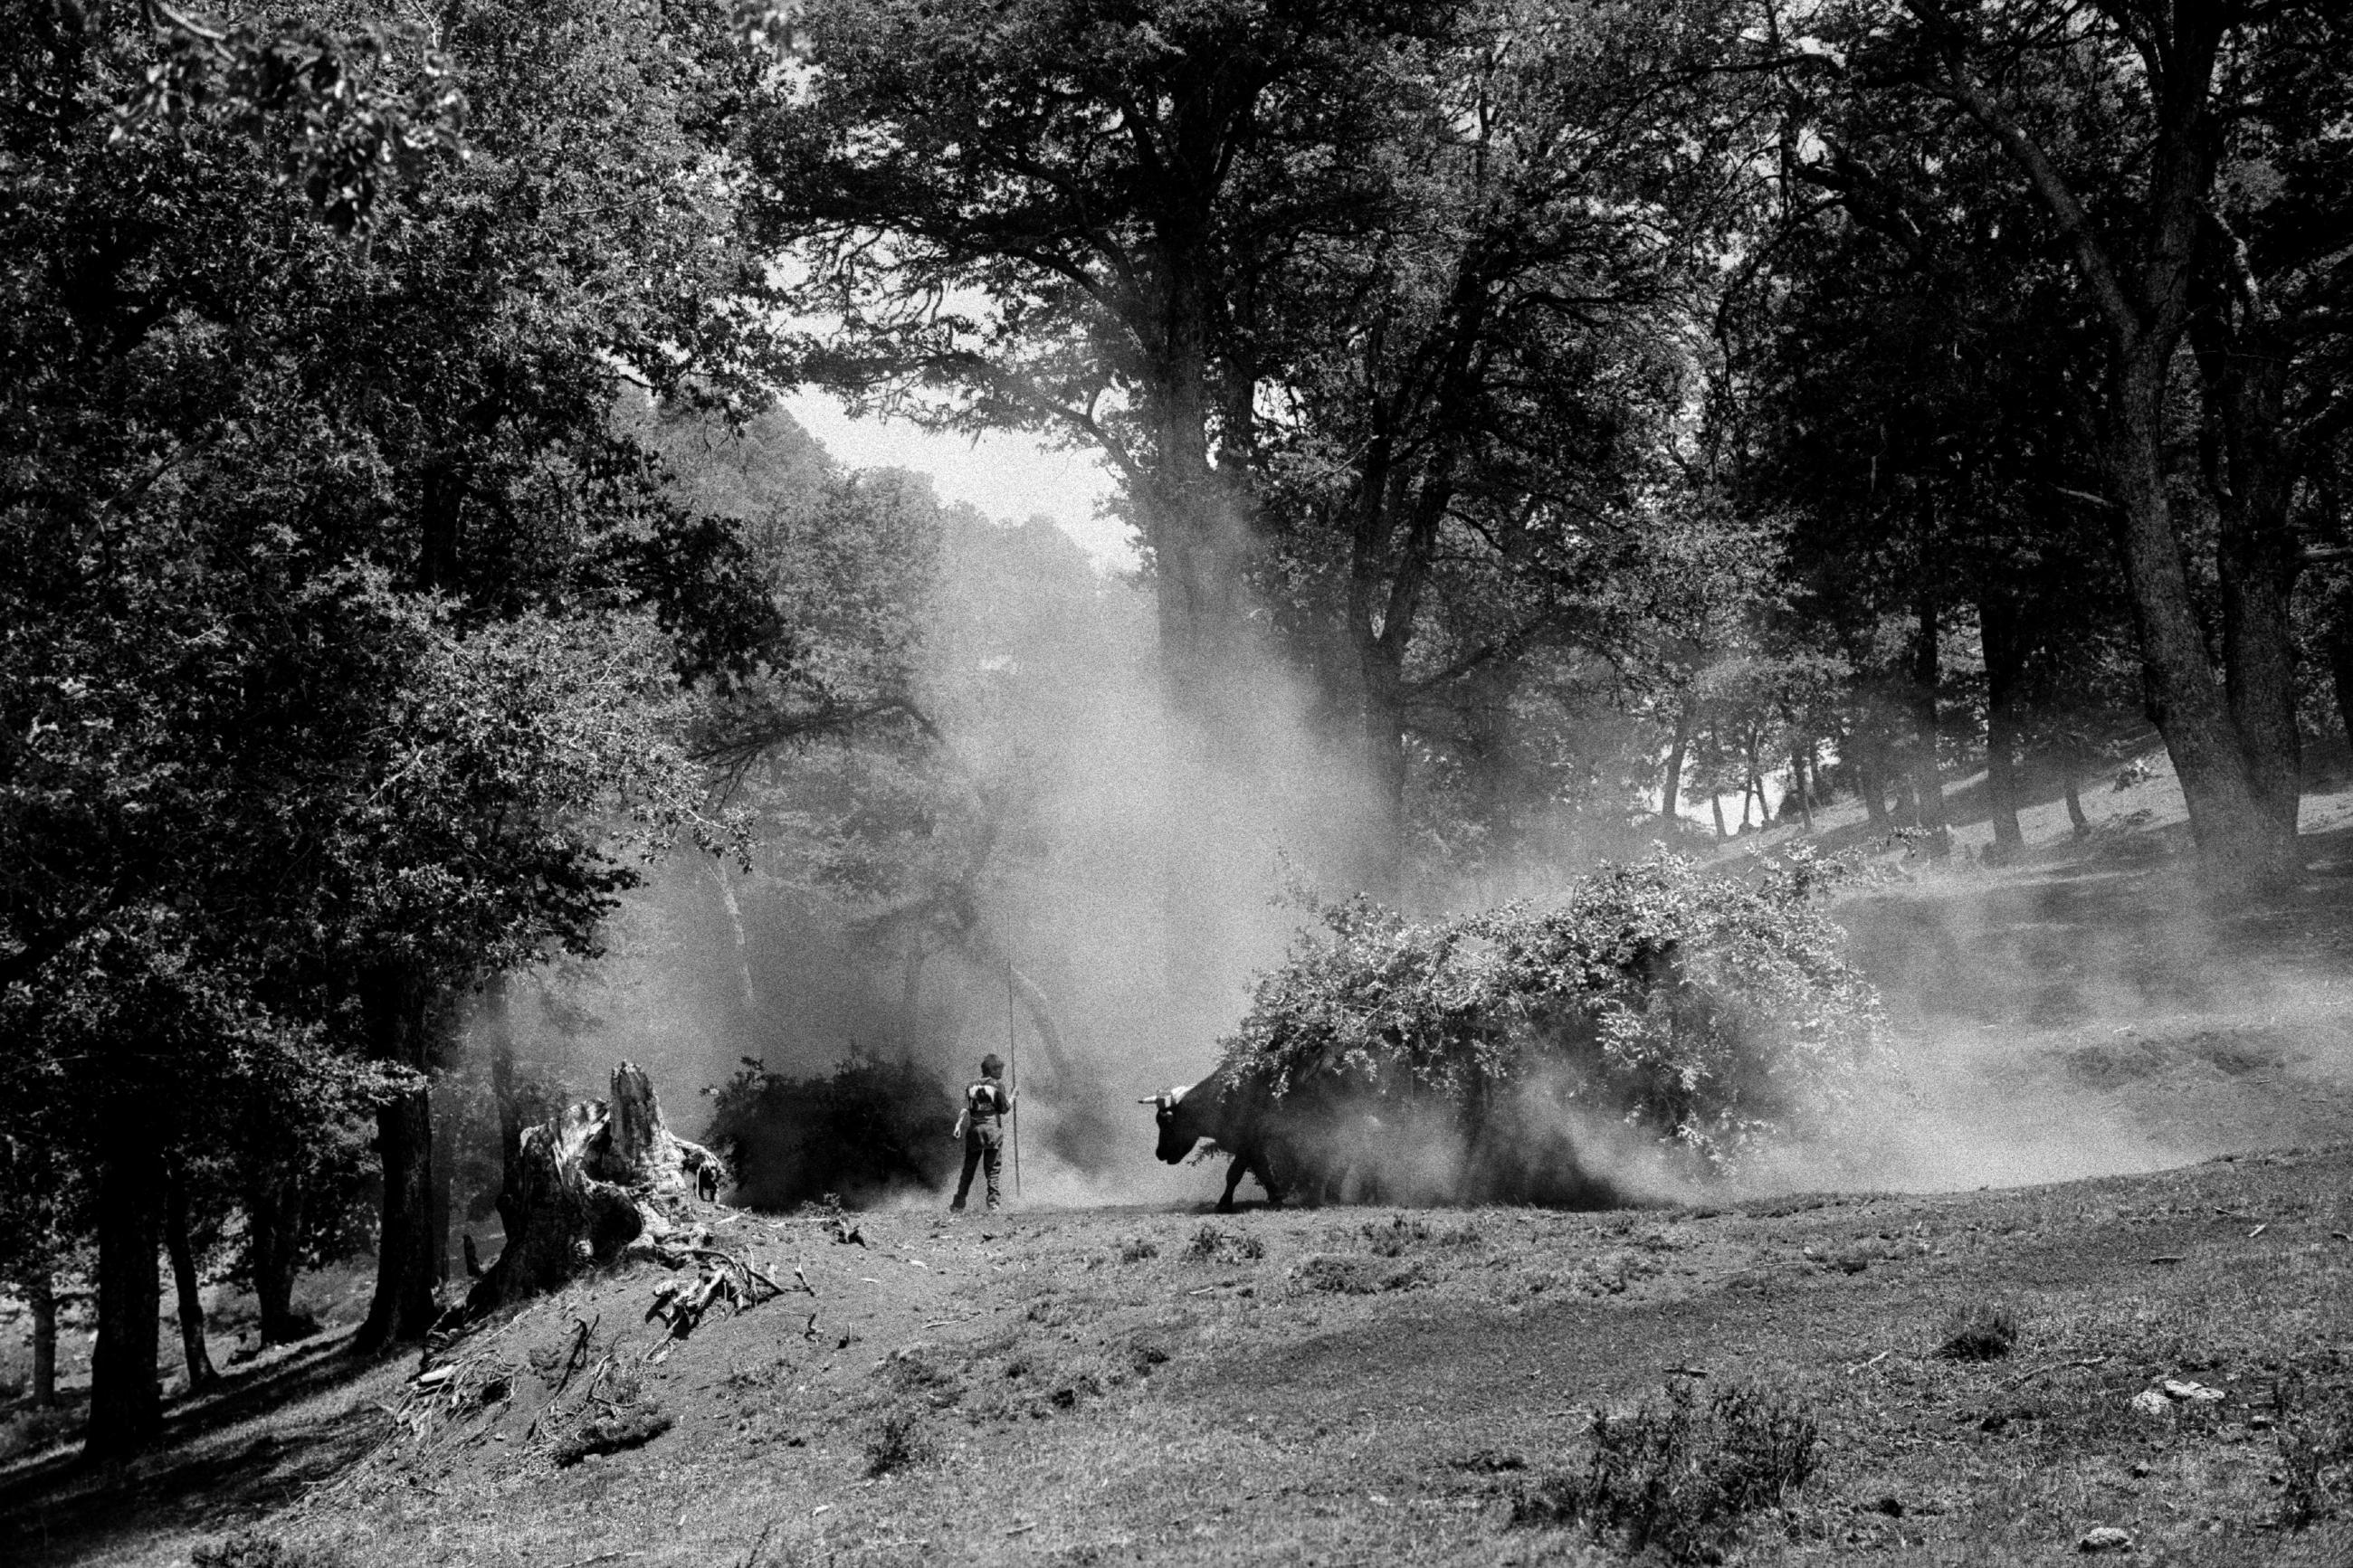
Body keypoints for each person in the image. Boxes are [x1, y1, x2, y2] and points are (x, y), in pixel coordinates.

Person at [949, 1052, 1015, 1214]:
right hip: (992, 1130)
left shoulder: (971, 1085)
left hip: (975, 1130)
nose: (1001, 1072)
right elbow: (1004, 1109)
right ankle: (993, 1204)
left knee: (968, 1169)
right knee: (992, 1169)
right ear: (992, 1070)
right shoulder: (997, 1085)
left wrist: (958, 1125)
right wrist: (1013, 1096)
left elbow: (966, 1107)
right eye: (999, 1069)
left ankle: (958, 1204)